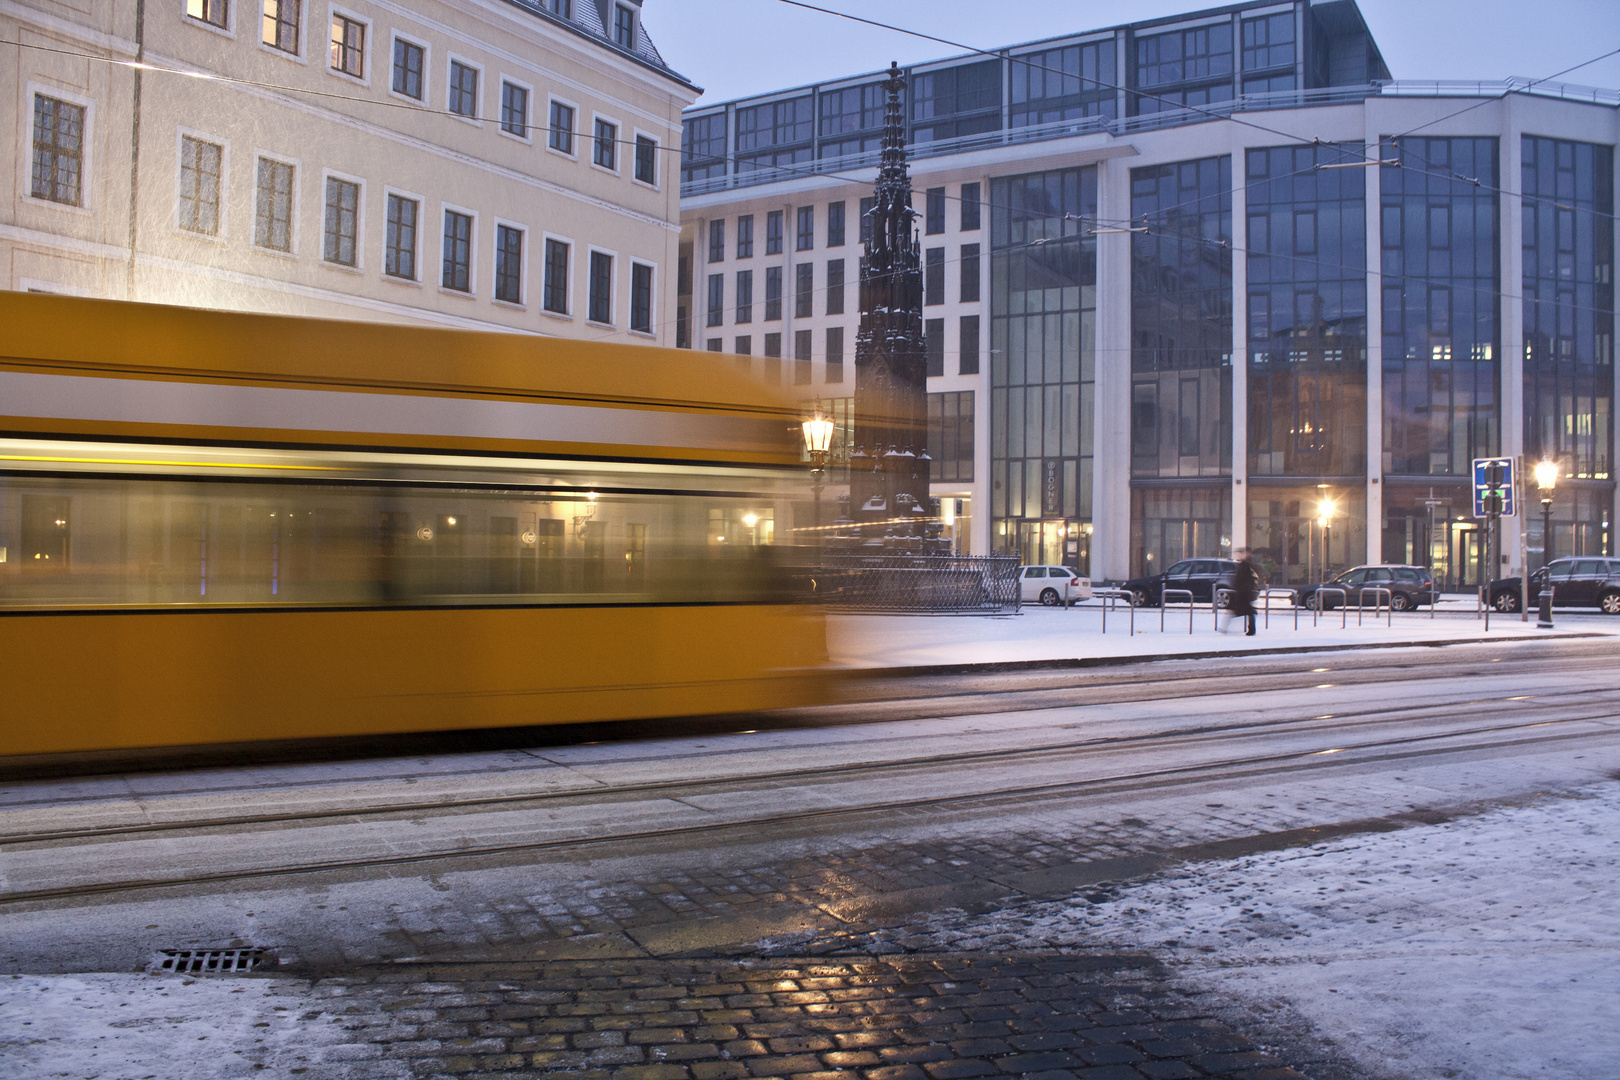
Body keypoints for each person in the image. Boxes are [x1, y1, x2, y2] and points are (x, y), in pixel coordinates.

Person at [1228, 547, 1260, 636]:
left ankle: (1251, 630)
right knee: (1247, 611)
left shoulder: (1247, 564)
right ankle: (1251, 629)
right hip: (1243, 592)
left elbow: (1246, 579)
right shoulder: (1244, 564)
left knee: (1247, 611)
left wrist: (1245, 589)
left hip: (1244, 592)